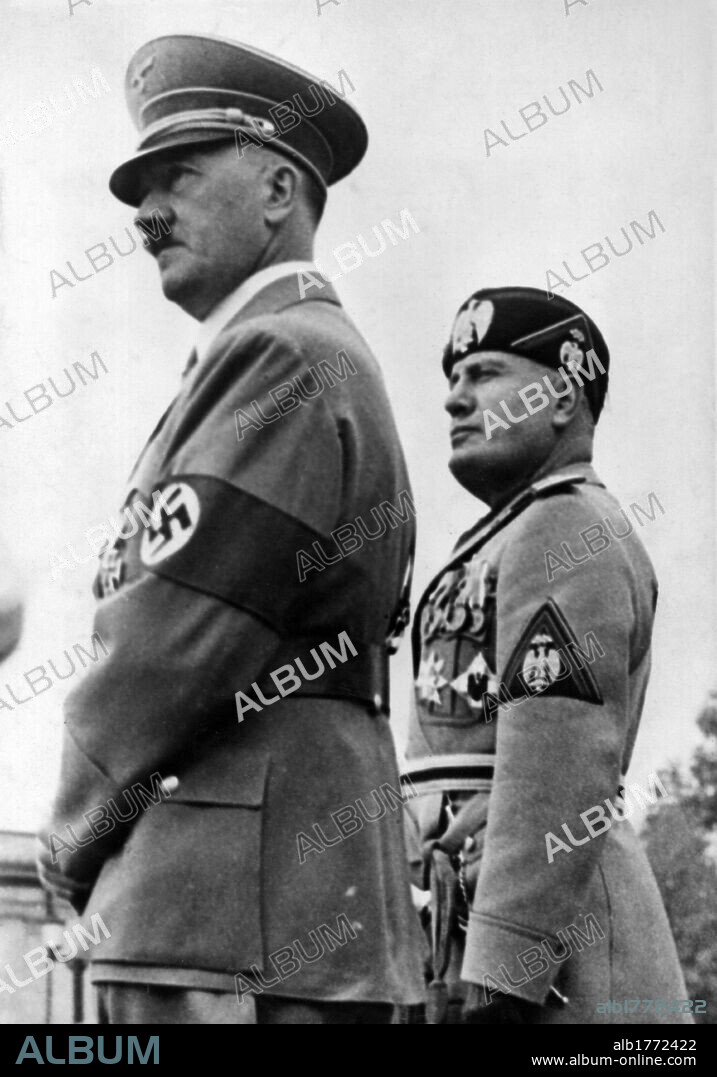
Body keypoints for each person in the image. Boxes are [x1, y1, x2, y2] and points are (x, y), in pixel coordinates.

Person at [37, 32, 424, 1025]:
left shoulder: (277, 356)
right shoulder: (288, 350)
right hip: (273, 888)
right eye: (139, 191)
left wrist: (69, 833)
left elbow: (167, 642)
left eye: (179, 174)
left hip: (233, 905)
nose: (146, 215)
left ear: (278, 189)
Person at [401, 286, 692, 1024]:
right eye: (453, 378)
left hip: (551, 961)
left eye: (485, 373)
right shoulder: (512, 531)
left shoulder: (565, 526)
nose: (454, 398)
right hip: (485, 931)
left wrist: (505, 968)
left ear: (562, 397)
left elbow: (557, 770)